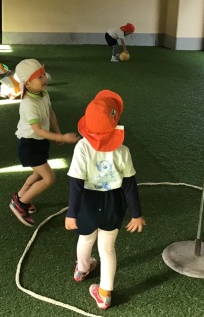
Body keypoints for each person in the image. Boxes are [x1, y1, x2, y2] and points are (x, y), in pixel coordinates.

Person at [65, 90, 145, 310]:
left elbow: (76, 183)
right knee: (107, 250)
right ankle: (104, 294)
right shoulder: (123, 150)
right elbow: (129, 184)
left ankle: (82, 269)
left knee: (85, 240)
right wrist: (136, 214)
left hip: (87, 203)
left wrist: (71, 213)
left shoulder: (82, 147)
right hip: (113, 203)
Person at [10, 59, 80, 227]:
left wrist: (57, 133)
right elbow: (38, 130)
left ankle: (19, 197)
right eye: (39, 77)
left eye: (43, 74)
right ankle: (20, 204)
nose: (44, 79)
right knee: (49, 178)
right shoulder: (29, 104)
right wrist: (62, 138)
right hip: (29, 145)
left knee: (38, 174)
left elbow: (50, 113)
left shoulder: (43, 94)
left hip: (40, 143)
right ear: (27, 83)